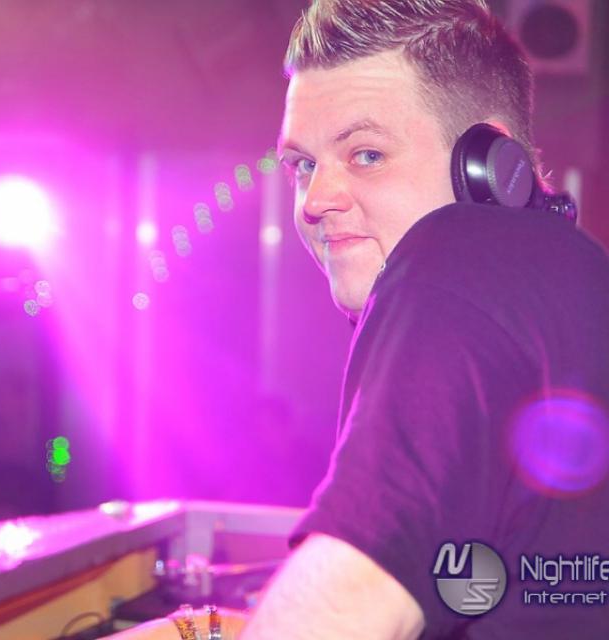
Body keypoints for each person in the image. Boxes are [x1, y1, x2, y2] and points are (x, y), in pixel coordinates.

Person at [116, 1, 609, 638]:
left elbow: (344, 613)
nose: (316, 200)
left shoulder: (458, 251)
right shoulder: (567, 279)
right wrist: (203, 629)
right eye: (303, 165)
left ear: (489, 162)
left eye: (366, 155)